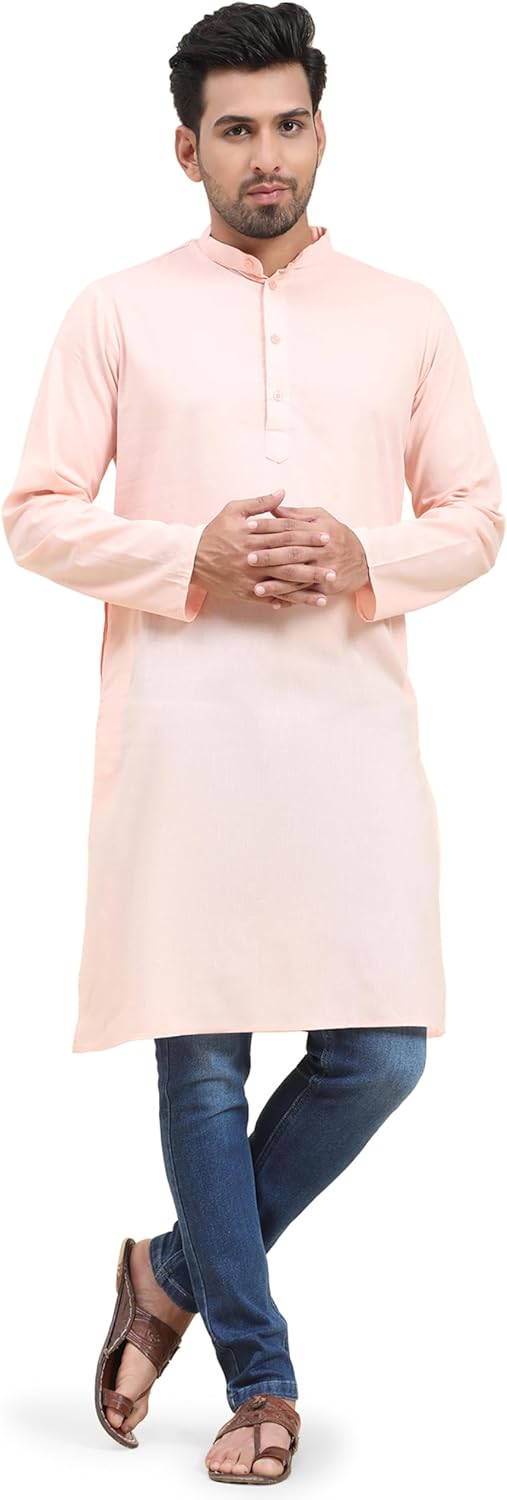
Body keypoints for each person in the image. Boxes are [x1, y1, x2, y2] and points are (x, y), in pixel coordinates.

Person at [2, 2, 503, 1484]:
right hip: (185, 741)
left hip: (350, 733)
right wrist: (188, 558)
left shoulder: (406, 312)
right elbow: (34, 512)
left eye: (288, 123)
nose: (265, 154)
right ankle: (261, 1383)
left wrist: (365, 556)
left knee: (381, 1055)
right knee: (205, 1070)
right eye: (235, 130)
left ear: (320, 131)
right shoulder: (115, 309)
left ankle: (163, 1274)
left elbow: (476, 514)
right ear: (188, 148)